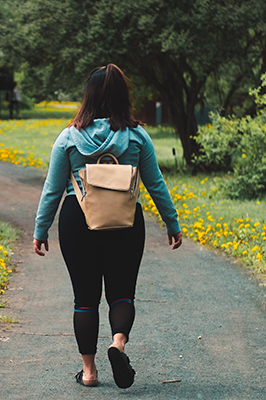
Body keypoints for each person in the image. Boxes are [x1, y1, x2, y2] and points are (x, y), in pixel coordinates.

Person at [32, 64, 182, 389]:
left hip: (77, 219)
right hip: (125, 221)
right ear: (122, 97)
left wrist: (40, 230)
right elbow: (156, 184)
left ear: (88, 96)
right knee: (121, 293)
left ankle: (88, 372)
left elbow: (53, 188)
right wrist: (172, 223)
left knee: (84, 299)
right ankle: (118, 344)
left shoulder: (69, 137)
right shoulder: (137, 136)